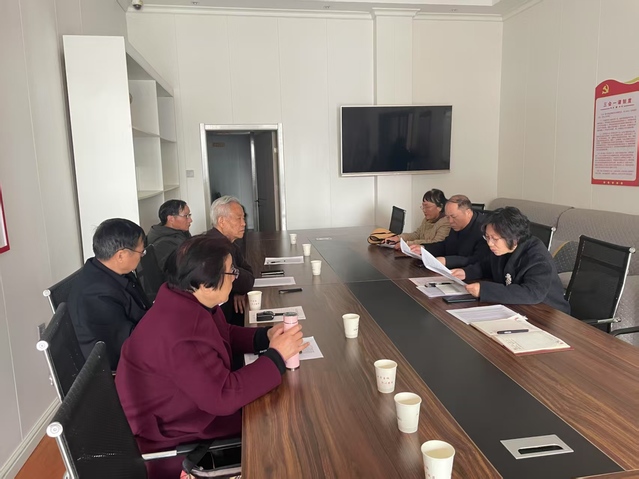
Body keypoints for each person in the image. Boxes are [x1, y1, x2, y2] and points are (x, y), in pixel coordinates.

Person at [115, 236, 308, 479]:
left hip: (191, 412)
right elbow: (223, 396)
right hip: (181, 441)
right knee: (293, 431)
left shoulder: (184, 300)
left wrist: (264, 337)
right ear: (205, 285)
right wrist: (277, 357)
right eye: (230, 272)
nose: (235, 277)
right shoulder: (183, 333)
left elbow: (222, 333)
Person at [450, 207, 570, 313]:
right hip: (519, 307)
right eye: (487, 237)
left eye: (494, 238)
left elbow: (531, 293)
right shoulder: (502, 249)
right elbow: (487, 266)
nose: (490, 243)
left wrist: (484, 290)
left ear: (514, 237)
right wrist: (466, 272)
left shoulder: (537, 257)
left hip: (549, 314)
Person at [68, 218, 152, 369]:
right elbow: (131, 345)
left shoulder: (113, 271)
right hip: (126, 365)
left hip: (143, 336)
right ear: (121, 255)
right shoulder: (96, 296)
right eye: (141, 252)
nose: (142, 256)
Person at [206, 196, 254, 326]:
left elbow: (248, 275)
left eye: (243, 218)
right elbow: (246, 282)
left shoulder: (229, 243)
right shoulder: (214, 247)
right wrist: (239, 286)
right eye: (238, 218)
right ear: (221, 221)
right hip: (220, 318)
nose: (244, 223)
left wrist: (238, 289)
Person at [415, 195, 490, 272]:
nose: (450, 221)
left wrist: (447, 261)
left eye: (454, 216)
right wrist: (425, 249)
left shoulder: (485, 228)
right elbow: (446, 246)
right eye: (447, 217)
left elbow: (479, 260)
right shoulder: (456, 224)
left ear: (468, 212)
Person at [384, 189, 450, 250]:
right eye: (423, 206)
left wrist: (407, 244)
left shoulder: (446, 222)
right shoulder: (427, 219)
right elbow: (417, 234)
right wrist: (398, 238)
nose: (424, 210)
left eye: (427, 207)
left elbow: (435, 244)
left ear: (440, 207)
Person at [146, 199, 192, 271]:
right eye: (186, 216)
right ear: (171, 219)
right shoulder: (164, 244)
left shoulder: (181, 232)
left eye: (189, 215)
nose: (190, 220)